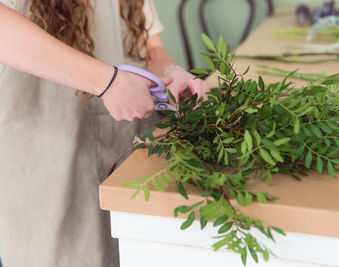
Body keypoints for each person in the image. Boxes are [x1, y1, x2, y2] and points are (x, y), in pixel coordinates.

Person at [0, 1, 208, 266]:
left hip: (124, 153)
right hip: (45, 159)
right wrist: (106, 81)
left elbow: (152, 48)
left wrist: (170, 74)